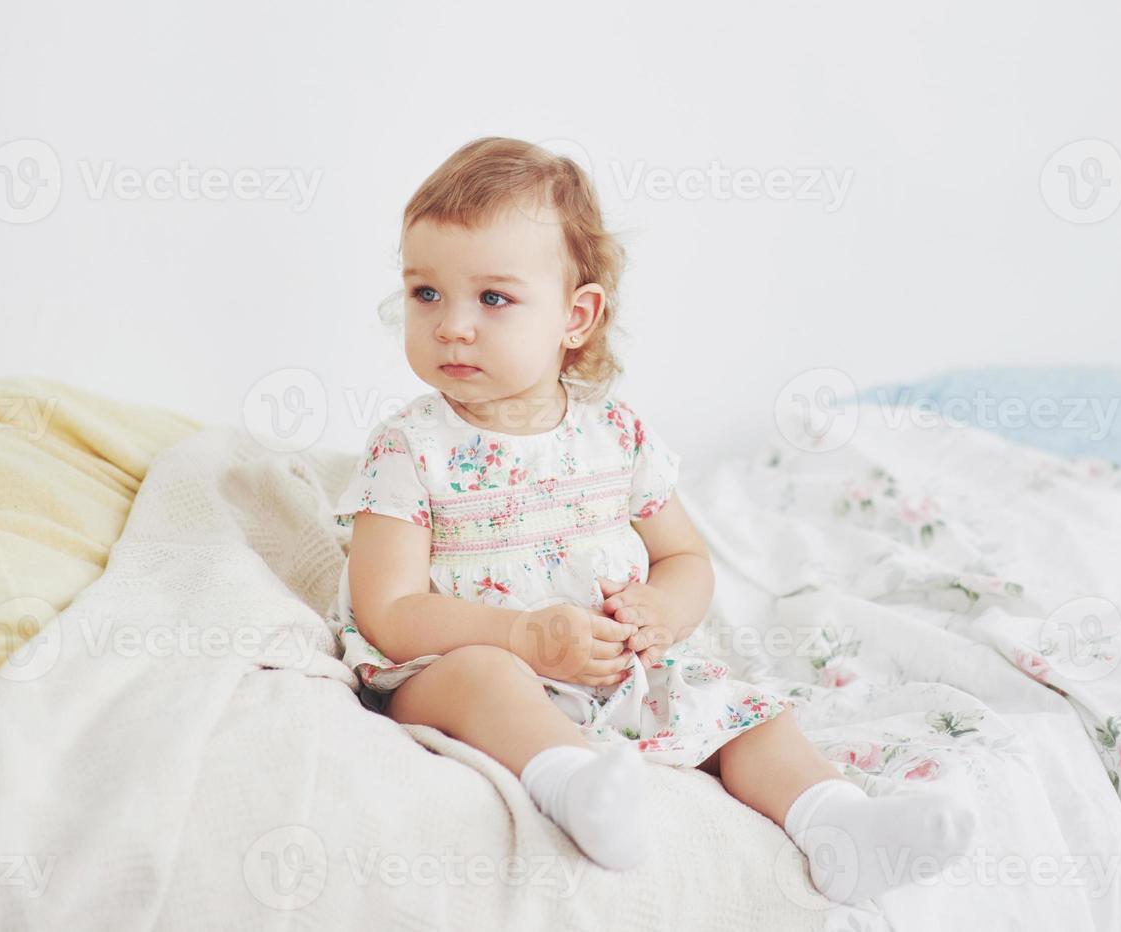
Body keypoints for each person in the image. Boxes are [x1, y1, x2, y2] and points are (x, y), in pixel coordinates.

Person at [329, 136, 976, 907]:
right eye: (425, 293)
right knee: (488, 678)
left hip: (605, 670)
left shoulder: (617, 435)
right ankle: (575, 785)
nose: (452, 325)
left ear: (577, 316)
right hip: (451, 666)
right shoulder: (411, 447)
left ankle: (838, 824)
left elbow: (685, 561)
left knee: (744, 712)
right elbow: (390, 613)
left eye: (492, 298)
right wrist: (521, 637)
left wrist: (658, 614)